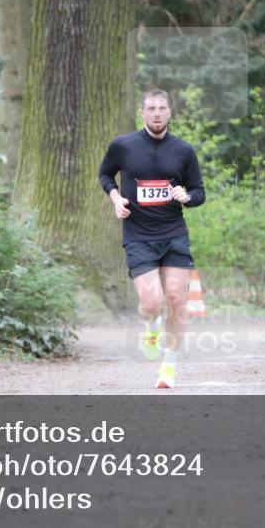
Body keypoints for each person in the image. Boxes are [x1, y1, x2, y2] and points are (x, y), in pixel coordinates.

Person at [98, 89, 205, 388]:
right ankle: (150, 326)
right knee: (151, 302)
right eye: (151, 108)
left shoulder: (184, 151)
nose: (157, 113)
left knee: (177, 300)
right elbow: (105, 175)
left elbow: (199, 193)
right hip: (138, 235)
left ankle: (168, 370)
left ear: (170, 113)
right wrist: (116, 198)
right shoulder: (123, 146)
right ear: (142, 113)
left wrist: (187, 196)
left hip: (173, 235)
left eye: (162, 108)